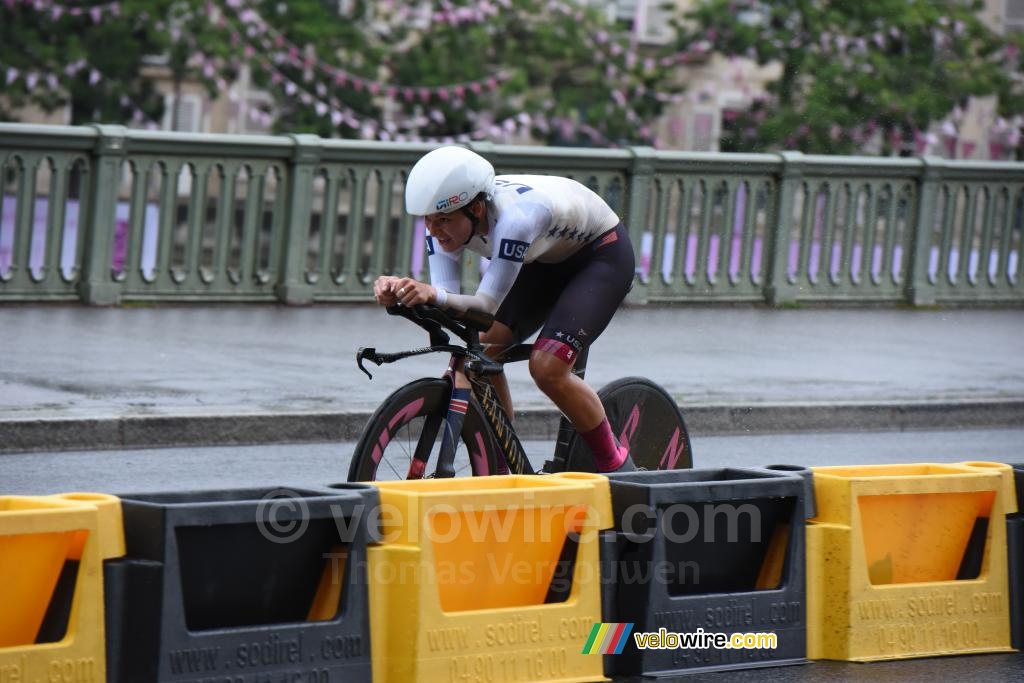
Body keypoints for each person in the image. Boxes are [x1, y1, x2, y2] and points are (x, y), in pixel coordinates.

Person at [373, 146, 636, 473]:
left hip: (600, 257)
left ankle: (617, 464)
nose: (433, 230)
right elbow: (448, 301)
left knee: (547, 368)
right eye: (427, 220)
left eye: (442, 220)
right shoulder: (446, 227)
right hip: (543, 259)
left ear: (477, 209)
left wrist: (432, 296)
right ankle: (501, 456)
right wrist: (401, 293)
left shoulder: (516, 221)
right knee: (481, 347)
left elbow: (484, 307)